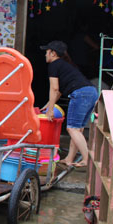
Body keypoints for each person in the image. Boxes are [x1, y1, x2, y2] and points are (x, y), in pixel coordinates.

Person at [41, 40, 98, 168]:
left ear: (53, 53)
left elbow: (54, 88)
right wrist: (48, 104)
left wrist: (50, 110)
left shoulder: (54, 65)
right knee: (77, 129)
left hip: (81, 94)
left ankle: (87, 158)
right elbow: (60, 91)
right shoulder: (65, 65)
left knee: (71, 128)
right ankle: (69, 159)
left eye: (47, 52)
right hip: (91, 92)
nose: (45, 55)